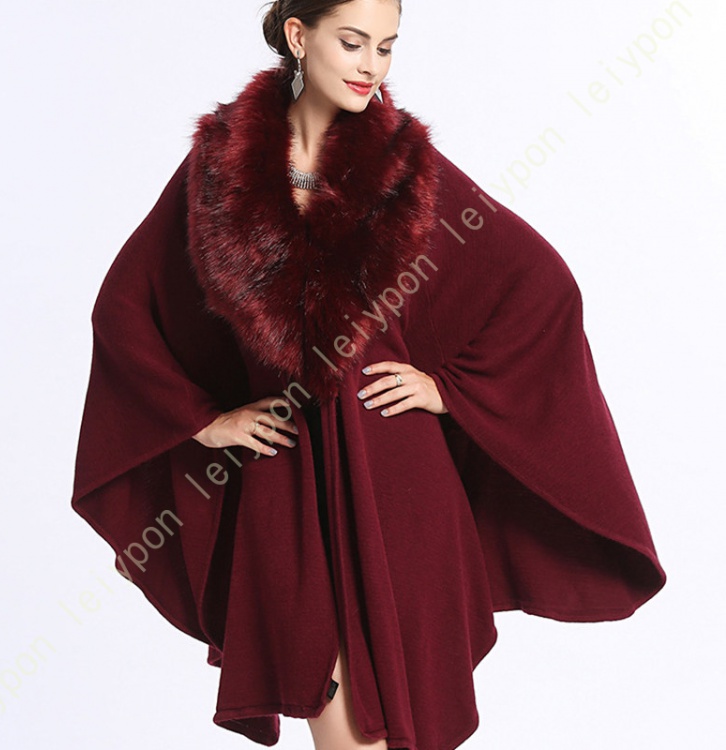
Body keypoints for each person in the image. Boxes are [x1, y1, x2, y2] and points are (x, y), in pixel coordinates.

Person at [71, 1, 667, 748]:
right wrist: (205, 421)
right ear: (299, 36)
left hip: (398, 486)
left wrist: (448, 390)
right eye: (353, 42)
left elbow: (541, 285)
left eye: (386, 47)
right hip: (287, 487)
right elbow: (125, 310)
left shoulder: (403, 166)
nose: (370, 66)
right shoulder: (220, 166)